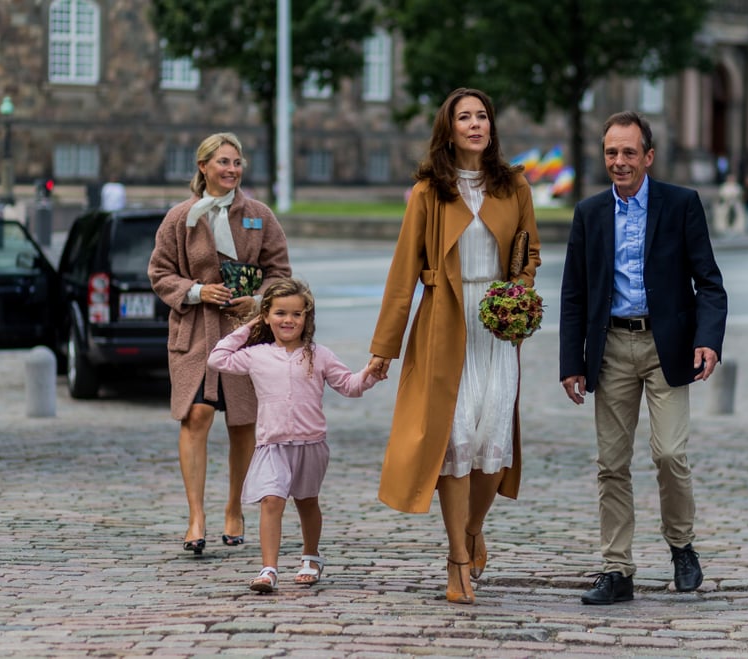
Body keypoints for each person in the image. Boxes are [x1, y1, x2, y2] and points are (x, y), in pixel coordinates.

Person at [368, 88, 541, 605]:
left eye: (482, 115)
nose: (475, 124)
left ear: (492, 126)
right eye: (464, 117)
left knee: (493, 443)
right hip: (445, 321)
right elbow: (403, 273)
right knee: (456, 439)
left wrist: (519, 293)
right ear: (449, 129)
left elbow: (528, 251)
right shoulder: (428, 192)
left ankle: (471, 528)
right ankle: (457, 558)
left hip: (495, 324)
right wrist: (385, 347)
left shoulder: (515, 186)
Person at [559, 111, 728, 605]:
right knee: (611, 463)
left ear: (648, 157)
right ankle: (618, 570)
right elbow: (573, 295)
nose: (619, 161)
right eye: (612, 152)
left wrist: (708, 340)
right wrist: (573, 361)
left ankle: (681, 545)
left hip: (665, 348)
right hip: (611, 349)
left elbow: (710, 284)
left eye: (629, 152)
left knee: (670, 454)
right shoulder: (589, 214)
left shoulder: (681, 205)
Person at [149, 132, 291, 555]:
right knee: (196, 416)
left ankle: (234, 507)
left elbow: (279, 271)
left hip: (246, 333)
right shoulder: (181, 217)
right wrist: (196, 292)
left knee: (243, 422)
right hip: (195, 332)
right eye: (223, 162)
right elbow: (159, 273)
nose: (231, 170)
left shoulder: (259, 216)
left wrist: (261, 300)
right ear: (203, 167)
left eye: (237, 163)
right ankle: (196, 516)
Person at [207, 278, 381, 592]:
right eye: (280, 313)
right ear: (267, 317)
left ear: (306, 318)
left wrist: (369, 373)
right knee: (271, 501)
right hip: (272, 443)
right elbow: (217, 358)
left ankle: (311, 557)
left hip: (311, 444)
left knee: (306, 502)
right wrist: (250, 324)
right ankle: (268, 569)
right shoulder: (256, 354)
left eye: (296, 314)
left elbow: (351, 386)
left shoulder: (320, 355)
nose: (288, 320)